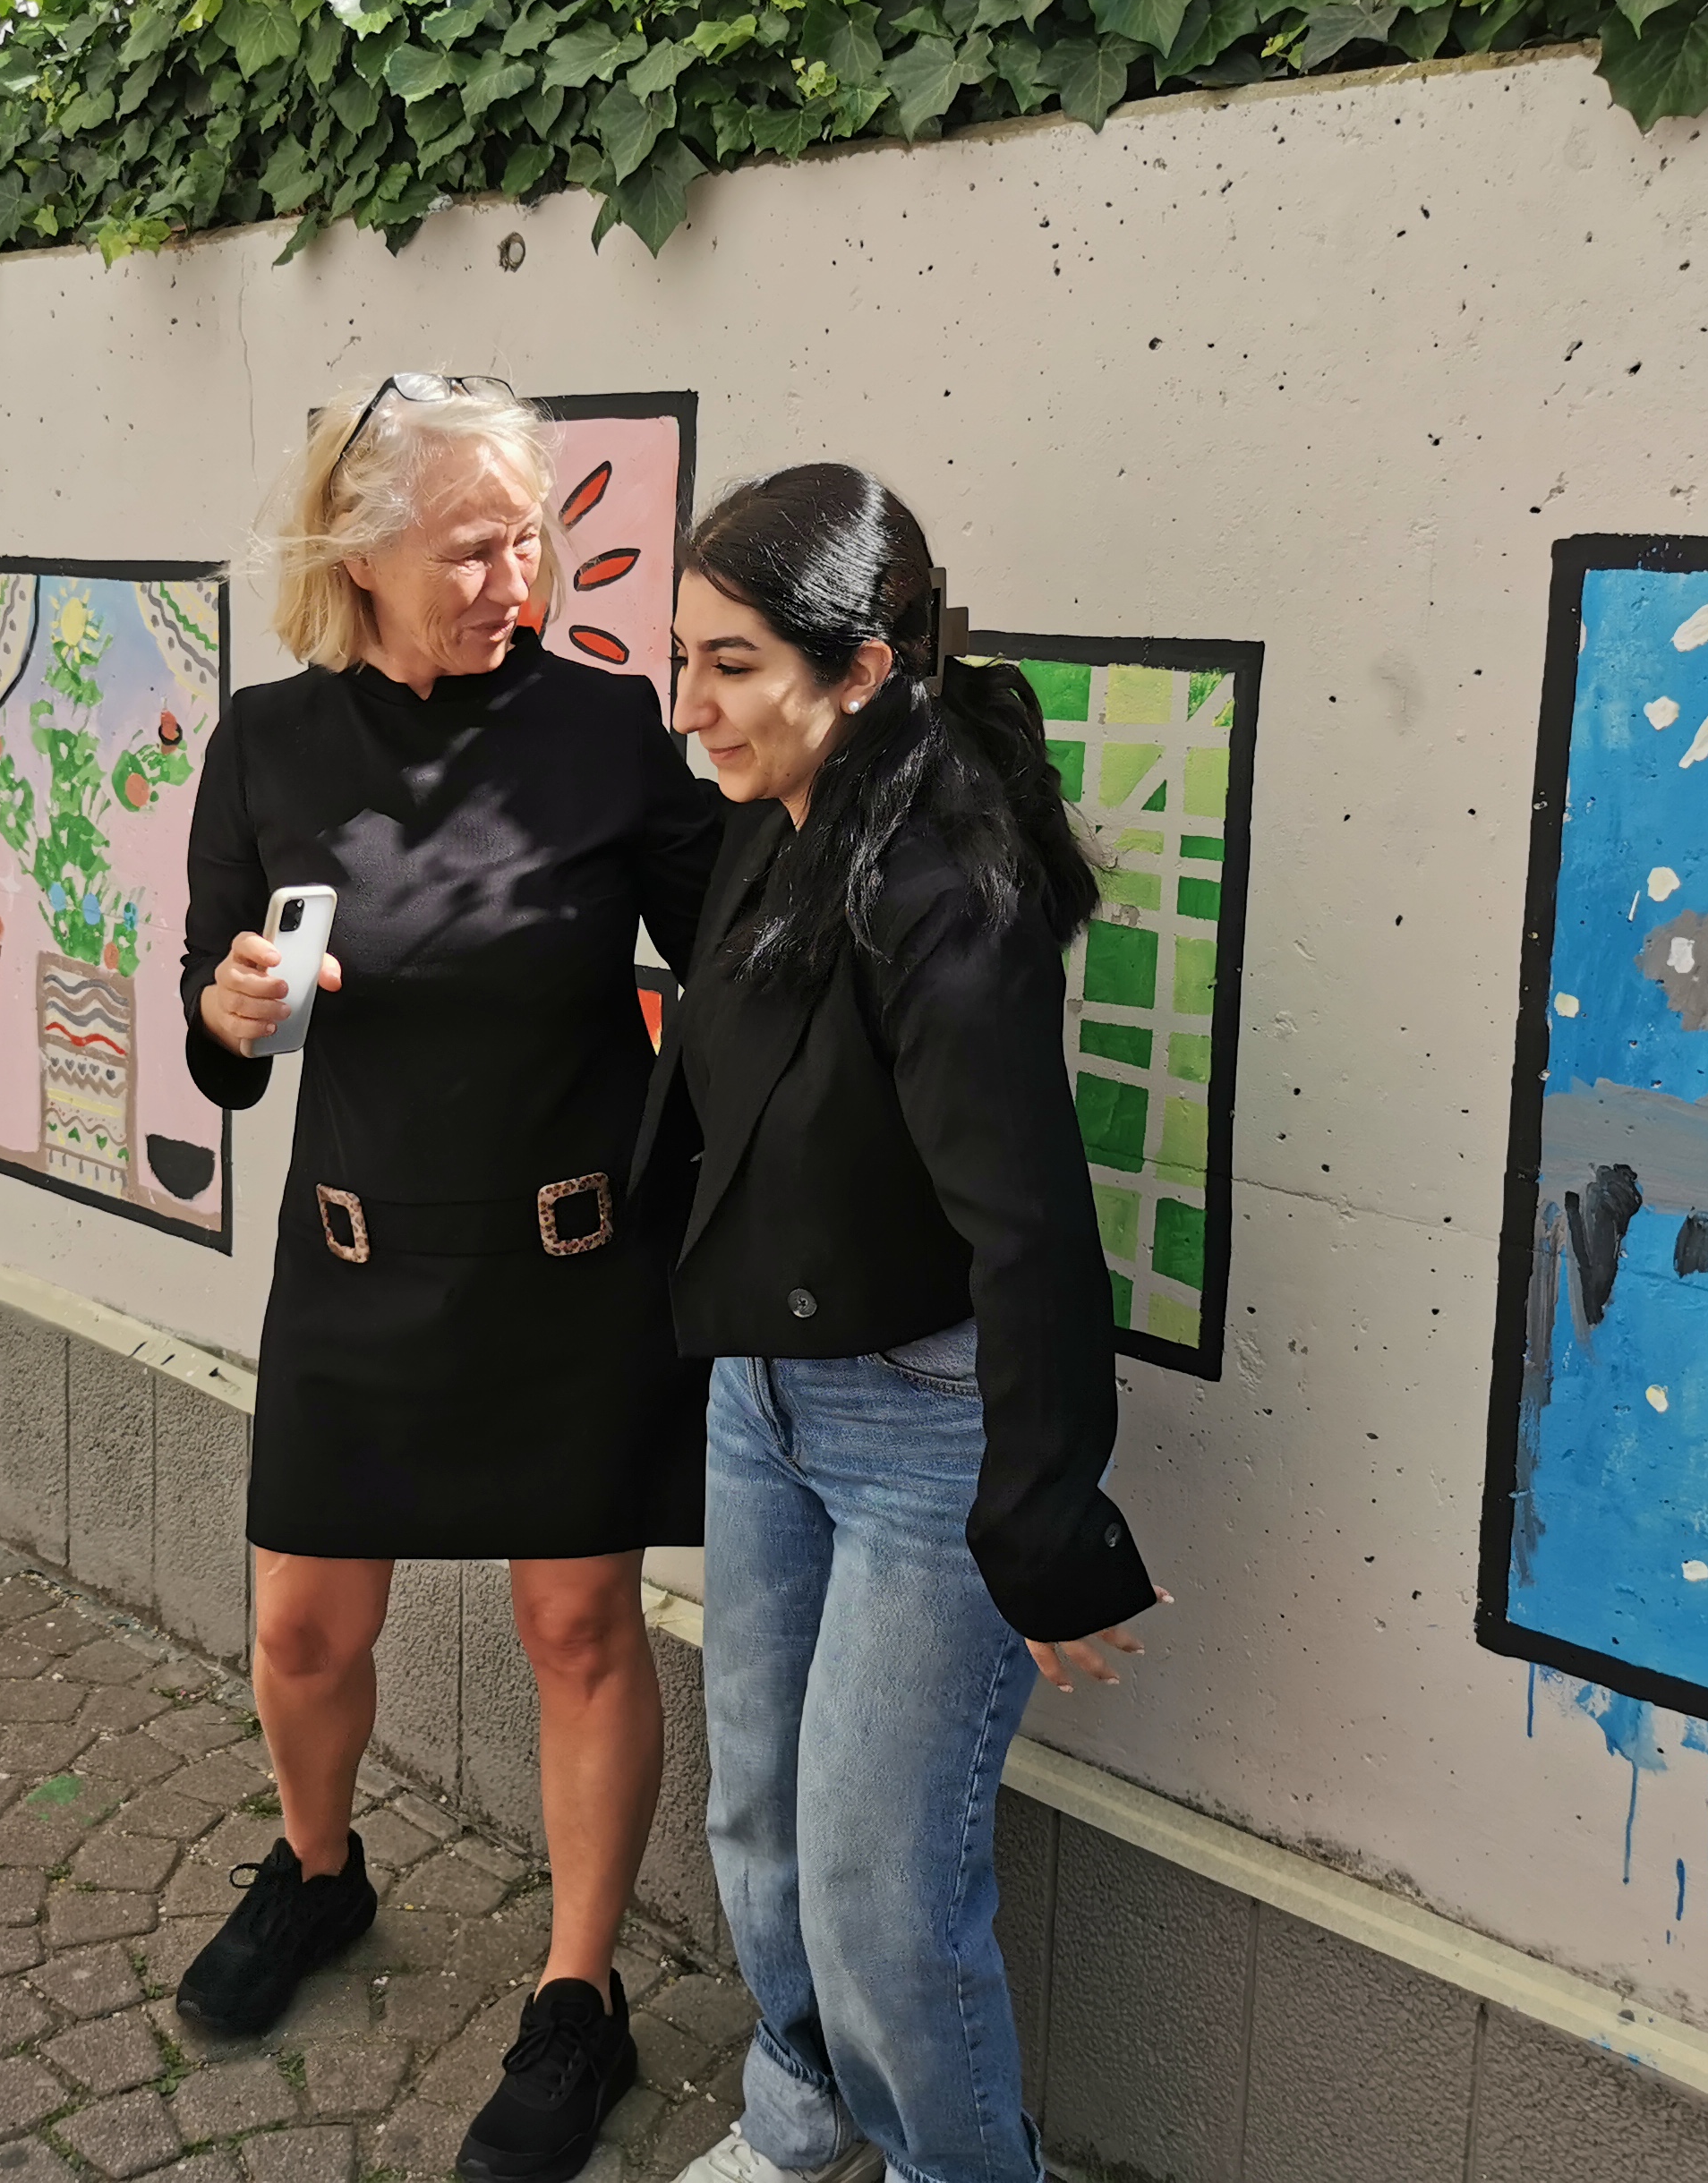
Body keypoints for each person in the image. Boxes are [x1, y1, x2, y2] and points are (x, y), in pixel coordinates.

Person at [175, 374, 722, 2183]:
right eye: (472, 549)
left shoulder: (602, 728)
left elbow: (738, 939)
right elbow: (216, 1028)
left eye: (530, 540)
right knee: (301, 1634)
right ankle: (318, 1872)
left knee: (578, 1629)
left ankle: (578, 1997)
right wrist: (228, 1014)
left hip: (568, 1272)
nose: (517, 580)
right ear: (362, 556)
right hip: (355, 1264)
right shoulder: (267, 743)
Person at [637, 465, 1168, 2183]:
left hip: (923, 1433)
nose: (690, 705)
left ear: (861, 671)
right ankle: (800, 2120)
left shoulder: (942, 886)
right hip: (765, 1404)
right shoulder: (776, 814)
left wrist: (1045, 1512)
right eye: (682, 656)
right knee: (759, 1819)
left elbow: (1032, 1226)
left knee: (881, 1890)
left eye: (731, 665)